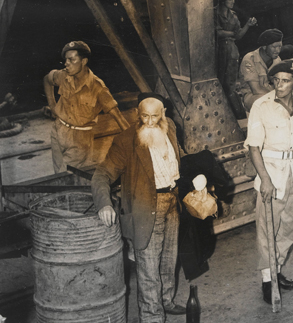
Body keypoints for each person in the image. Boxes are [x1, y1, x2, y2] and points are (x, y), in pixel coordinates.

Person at [92, 93, 186, 320]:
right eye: (145, 116)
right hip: (146, 208)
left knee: (168, 259)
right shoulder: (126, 140)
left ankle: (166, 301)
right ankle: (152, 317)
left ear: (163, 114)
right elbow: (101, 174)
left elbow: (180, 157)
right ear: (137, 114)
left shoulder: (170, 128)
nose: (151, 121)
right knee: (148, 268)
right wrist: (104, 204)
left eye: (155, 116)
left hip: (172, 201)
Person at [245, 60, 293, 304]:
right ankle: (268, 281)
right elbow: (254, 147)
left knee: (287, 228)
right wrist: (264, 179)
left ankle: (276, 272)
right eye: (276, 80)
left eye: (285, 81)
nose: (280, 85)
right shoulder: (261, 106)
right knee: (268, 229)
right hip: (271, 173)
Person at [43, 41, 129, 174]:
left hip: (79, 140)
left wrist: (135, 141)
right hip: (57, 130)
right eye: (66, 60)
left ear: (83, 61)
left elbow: (118, 116)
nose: (66, 64)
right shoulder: (64, 76)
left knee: (64, 176)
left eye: (71, 60)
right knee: (58, 173)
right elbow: (47, 79)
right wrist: (52, 105)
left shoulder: (98, 87)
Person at [216, 0, 257, 115]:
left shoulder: (233, 16)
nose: (233, 1)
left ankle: (237, 113)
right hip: (219, 50)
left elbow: (238, 35)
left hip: (231, 51)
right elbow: (218, 32)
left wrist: (247, 25)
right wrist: (231, 33)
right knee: (220, 82)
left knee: (230, 84)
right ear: (223, 1)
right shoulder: (214, 13)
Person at [238, 29, 283, 112]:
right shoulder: (249, 59)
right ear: (264, 46)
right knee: (265, 103)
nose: (277, 50)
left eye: (279, 46)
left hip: (271, 93)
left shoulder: (277, 60)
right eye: (274, 47)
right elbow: (256, 90)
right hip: (252, 95)